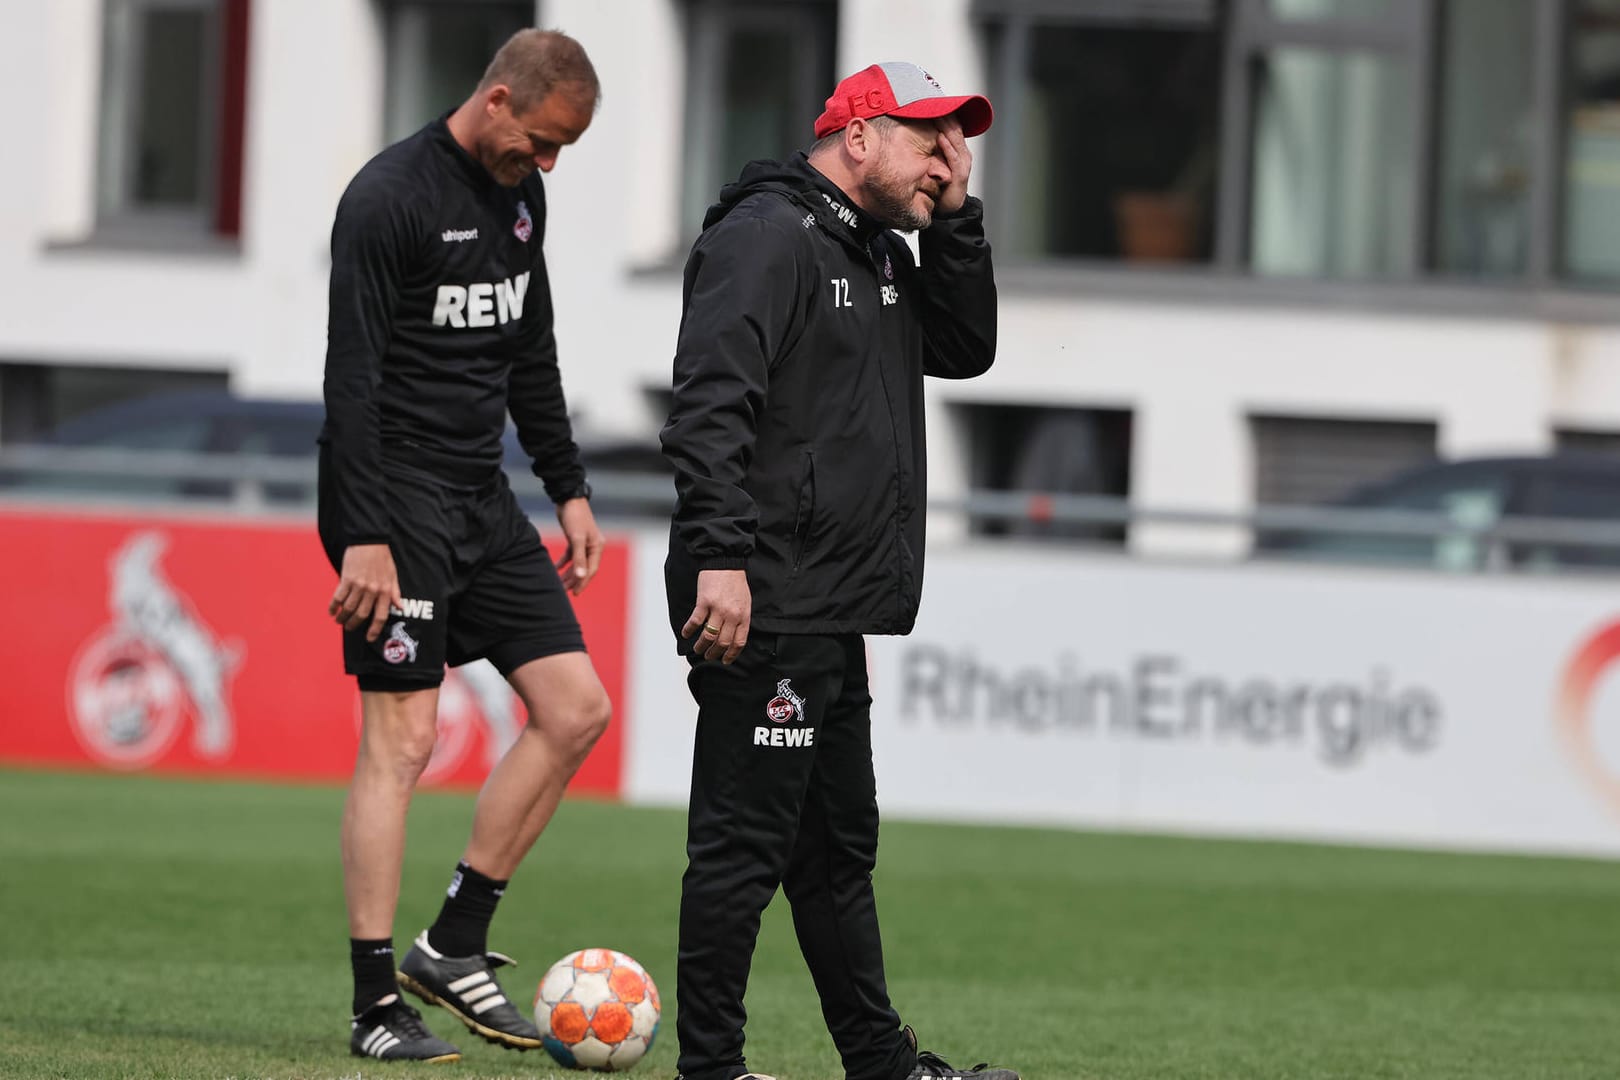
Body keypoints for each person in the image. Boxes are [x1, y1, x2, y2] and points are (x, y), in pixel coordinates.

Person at [660, 62, 1019, 1080]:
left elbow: (965, 347)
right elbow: (706, 408)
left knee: (834, 852)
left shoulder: (881, 251)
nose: (946, 159)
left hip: (827, 605)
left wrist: (955, 218)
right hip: (760, 592)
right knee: (745, 847)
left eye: (958, 141)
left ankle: (881, 1064)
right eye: (928, 138)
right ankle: (712, 1070)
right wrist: (722, 559)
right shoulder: (767, 236)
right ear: (856, 136)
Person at [318, 28, 612, 1063]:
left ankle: (452, 944)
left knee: (578, 710)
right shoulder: (388, 198)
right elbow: (348, 383)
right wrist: (362, 535)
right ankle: (370, 1006)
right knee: (402, 745)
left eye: (562, 149)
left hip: (481, 501)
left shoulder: (523, 195)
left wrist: (568, 488)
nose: (548, 163)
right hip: (393, 508)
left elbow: (530, 348)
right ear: (496, 101)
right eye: (540, 140)